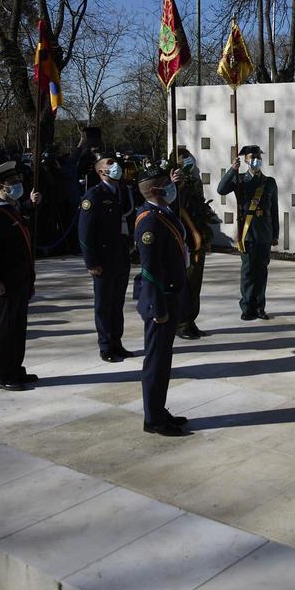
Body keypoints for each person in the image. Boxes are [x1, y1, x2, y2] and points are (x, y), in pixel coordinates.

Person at [132, 161, 189, 436]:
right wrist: (157, 307)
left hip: (170, 293)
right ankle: (153, 419)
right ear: (155, 190)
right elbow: (150, 268)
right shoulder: (150, 221)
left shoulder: (161, 211)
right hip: (160, 299)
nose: (171, 187)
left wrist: (177, 182)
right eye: (166, 184)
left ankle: (158, 408)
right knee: (156, 360)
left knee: (163, 358)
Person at [0, 161, 42, 391]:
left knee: (17, 327)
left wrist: (30, 204)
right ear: (0, 187)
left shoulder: (11, 208)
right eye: (12, 184)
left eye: (18, 182)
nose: (17, 186)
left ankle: (15, 369)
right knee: (5, 329)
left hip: (20, 278)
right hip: (5, 281)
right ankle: (3, 375)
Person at [78, 155, 140, 362]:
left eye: (116, 164)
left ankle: (117, 343)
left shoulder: (124, 192)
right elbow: (85, 233)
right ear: (100, 172)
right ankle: (106, 347)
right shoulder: (94, 196)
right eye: (110, 165)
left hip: (121, 255)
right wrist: (91, 262)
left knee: (117, 303)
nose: (116, 168)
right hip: (103, 259)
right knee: (104, 304)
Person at [216, 144, 279, 320]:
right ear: (245, 160)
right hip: (247, 232)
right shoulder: (239, 179)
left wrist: (275, 234)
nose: (255, 160)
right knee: (248, 272)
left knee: (262, 271)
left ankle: (260, 307)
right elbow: (221, 189)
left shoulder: (270, 182)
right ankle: (247, 306)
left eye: (258, 156)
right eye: (252, 157)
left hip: (265, 232)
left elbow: (274, 209)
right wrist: (231, 170)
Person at [173, 146, 217, 339]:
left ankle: (191, 320)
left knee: (195, 282)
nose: (188, 160)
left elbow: (200, 207)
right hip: (185, 239)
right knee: (186, 282)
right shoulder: (171, 182)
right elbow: (176, 207)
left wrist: (204, 235)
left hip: (198, 235)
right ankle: (181, 323)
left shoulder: (195, 180)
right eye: (183, 158)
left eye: (189, 157)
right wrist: (177, 186)